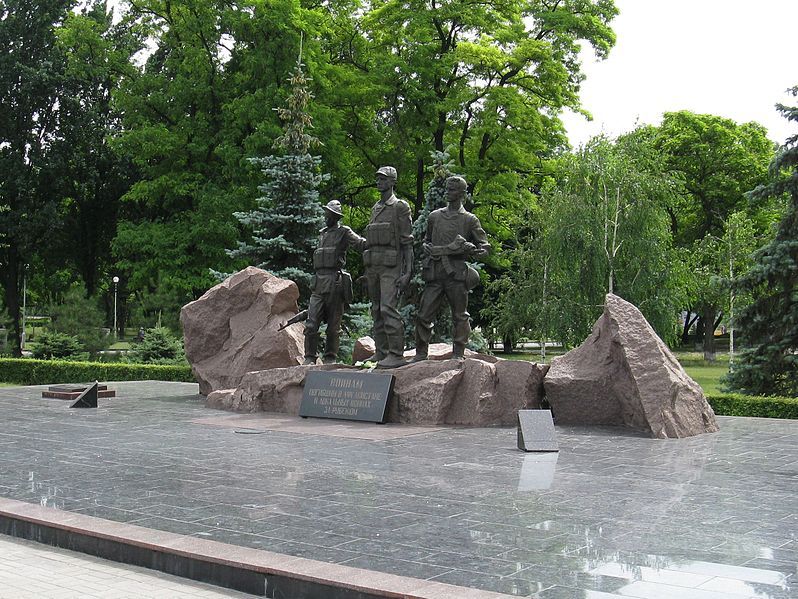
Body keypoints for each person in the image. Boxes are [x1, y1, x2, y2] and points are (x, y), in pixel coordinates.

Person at [414, 175, 489, 361]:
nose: (448, 192)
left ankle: (458, 353)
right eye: (447, 188)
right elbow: (426, 241)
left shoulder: (469, 220)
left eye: (453, 189)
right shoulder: (434, 216)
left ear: (462, 194)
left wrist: (474, 250)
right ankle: (421, 353)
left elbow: (485, 247)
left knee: (460, 316)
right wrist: (427, 248)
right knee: (424, 314)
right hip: (436, 272)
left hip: (456, 274)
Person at [303, 200, 366, 365]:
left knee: (333, 325)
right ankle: (309, 357)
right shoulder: (322, 233)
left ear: (335, 216)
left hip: (334, 282)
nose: (326, 217)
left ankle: (330, 358)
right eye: (326, 213)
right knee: (311, 323)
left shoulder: (344, 232)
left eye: (329, 214)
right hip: (318, 282)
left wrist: (378, 240)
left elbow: (361, 244)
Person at [363, 166, 413, 368]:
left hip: (391, 267)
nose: (379, 182)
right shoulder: (376, 208)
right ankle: (381, 352)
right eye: (377, 179)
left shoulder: (400, 207)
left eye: (383, 179)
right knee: (376, 310)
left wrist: (407, 272)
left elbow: (407, 242)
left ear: (392, 182)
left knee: (388, 308)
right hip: (373, 266)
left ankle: (396, 354)